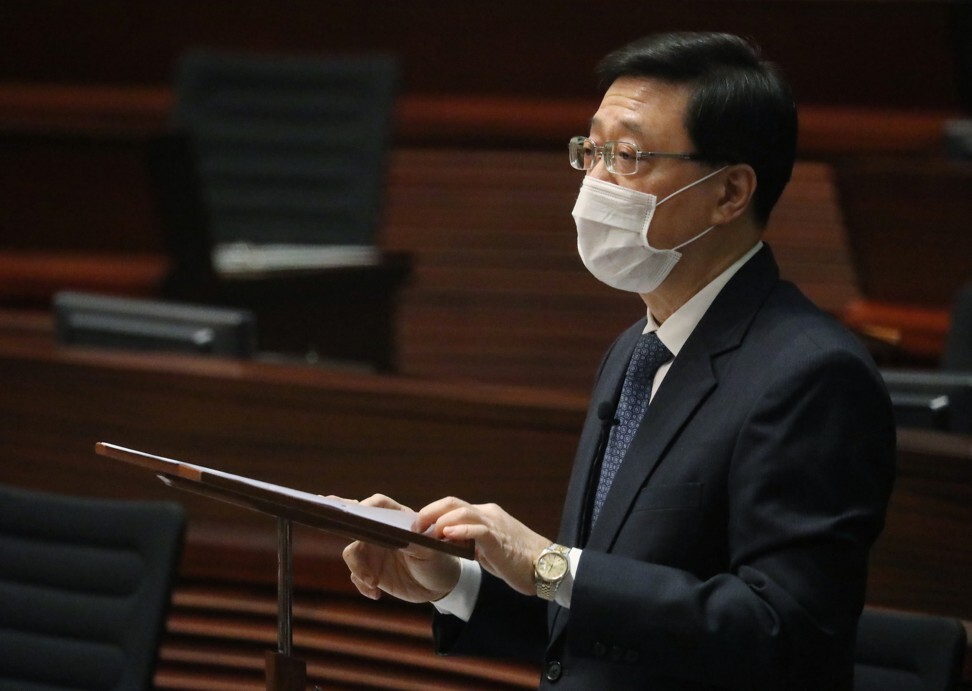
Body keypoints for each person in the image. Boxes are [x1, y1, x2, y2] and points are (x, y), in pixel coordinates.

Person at [343, 32, 895, 690]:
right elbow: (606, 631)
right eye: (591, 150)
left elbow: (783, 636)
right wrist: (454, 579)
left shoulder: (812, 375)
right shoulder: (635, 351)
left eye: (628, 156)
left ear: (730, 193)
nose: (595, 181)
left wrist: (551, 563)